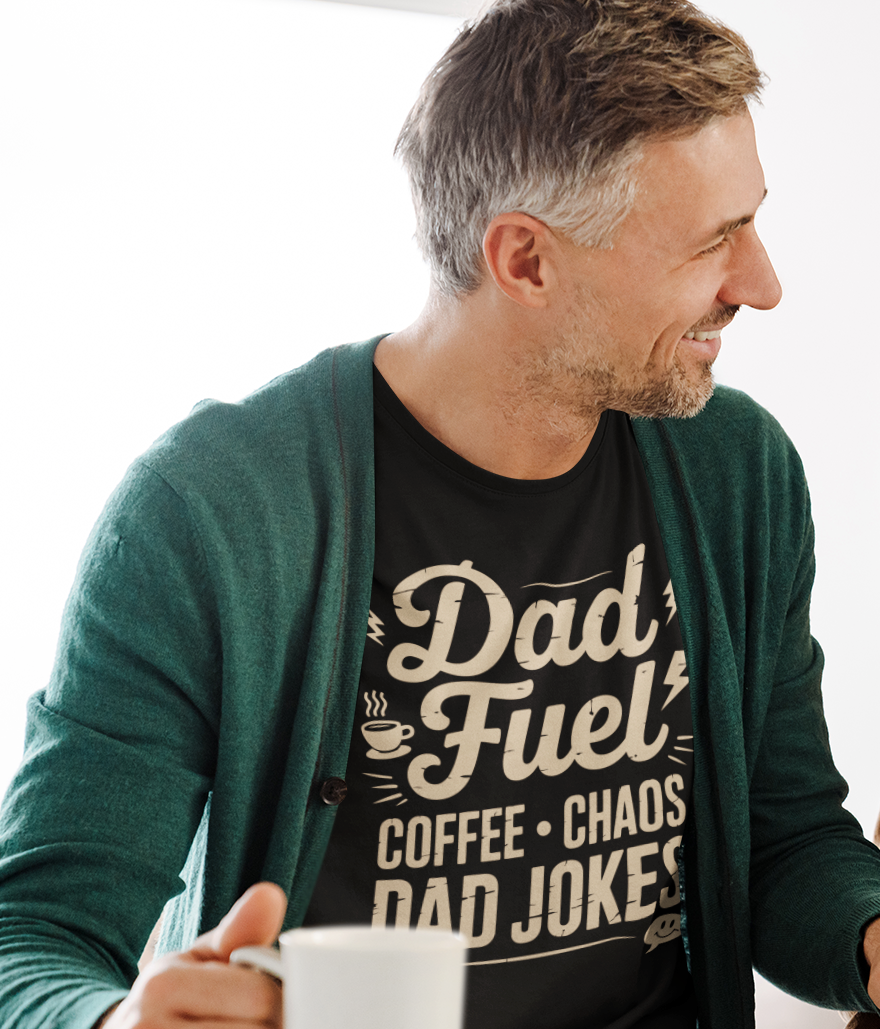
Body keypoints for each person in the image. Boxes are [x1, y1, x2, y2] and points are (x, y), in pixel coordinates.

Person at [1, 0, 879, 1026]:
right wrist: (116, 1021)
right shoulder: (208, 513)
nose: (763, 285)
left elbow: (784, 843)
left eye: (753, 220)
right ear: (525, 261)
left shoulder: (738, 472)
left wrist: (869, 935)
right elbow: (34, 939)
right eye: (713, 242)